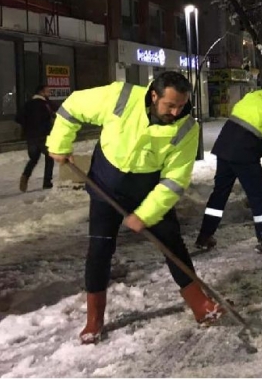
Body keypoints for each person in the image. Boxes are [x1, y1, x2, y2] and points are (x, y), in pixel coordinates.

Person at [46, 71, 222, 344]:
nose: (176, 112)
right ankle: (94, 319)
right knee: (100, 249)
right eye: (170, 105)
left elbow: (175, 180)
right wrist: (59, 143)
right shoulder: (121, 97)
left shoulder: (187, 128)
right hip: (106, 185)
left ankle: (200, 303)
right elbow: (72, 107)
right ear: (154, 95)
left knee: (171, 242)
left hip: (148, 190)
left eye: (181, 106)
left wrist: (145, 214)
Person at [195, 74, 262, 254]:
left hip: (225, 146)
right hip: (244, 154)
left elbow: (243, 118)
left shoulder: (257, 95)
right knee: (259, 197)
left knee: (219, 194)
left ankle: (204, 236)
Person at [17, 85, 56, 192]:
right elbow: (53, 115)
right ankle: (47, 182)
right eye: (47, 91)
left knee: (34, 158)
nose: (49, 93)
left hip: (30, 136)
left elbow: (19, 118)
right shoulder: (45, 104)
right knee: (50, 157)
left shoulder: (27, 104)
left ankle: (25, 176)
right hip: (43, 135)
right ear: (41, 92)